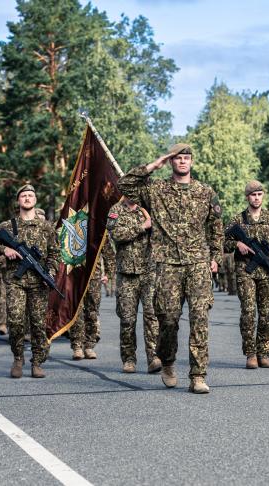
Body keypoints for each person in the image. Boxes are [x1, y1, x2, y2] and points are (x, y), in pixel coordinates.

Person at [118, 143, 223, 394]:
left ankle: (198, 375)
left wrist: (215, 256)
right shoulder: (156, 189)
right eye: (177, 158)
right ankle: (167, 360)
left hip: (197, 263)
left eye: (186, 158)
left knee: (200, 318)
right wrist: (154, 164)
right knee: (168, 320)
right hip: (166, 265)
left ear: (192, 162)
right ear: (172, 162)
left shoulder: (205, 191)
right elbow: (125, 186)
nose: (183, 162)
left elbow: (216, 227)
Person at [0, 185, 58, 378]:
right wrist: (5, 250)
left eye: (30, 195)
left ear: (35, 200)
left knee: (37, 324)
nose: (27, 198)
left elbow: (54, 252)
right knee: (16, 321)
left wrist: (50, 272)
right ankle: (18, 358)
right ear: (18, 200)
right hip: (15, 281)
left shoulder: (46, 226)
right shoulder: (7, 226)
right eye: (24, 196)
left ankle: (37, 362)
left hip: (39, 282)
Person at [225, 181, 269, 369]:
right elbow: (221, 239)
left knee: (265, 314)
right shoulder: (238, 219)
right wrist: (237, 245)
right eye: (253, 195)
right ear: (247, 197)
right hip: (246, 271)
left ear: (263, 196)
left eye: (259, 194)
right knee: (248, 312)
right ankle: (250, 354)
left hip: (267, 272)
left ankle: (264, 353)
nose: (256, 198)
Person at [107, 198, 160, 373]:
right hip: (126, 273)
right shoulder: (116, 210)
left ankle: (154, 357)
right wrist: (142, 227)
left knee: (152, 317)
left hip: (149, 271)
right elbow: (116, 234)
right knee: (127, 319)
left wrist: (154, 226)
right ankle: (129, 359)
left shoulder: (149, 208)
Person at [69, 239, 114, 360]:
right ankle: (77, 346)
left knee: (92, 310)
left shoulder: (98, 227)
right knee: (76, 311)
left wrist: (109, 273)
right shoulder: (75, 223)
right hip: (75, 274)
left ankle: (89, 345)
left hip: (94, 275)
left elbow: (108, 252)